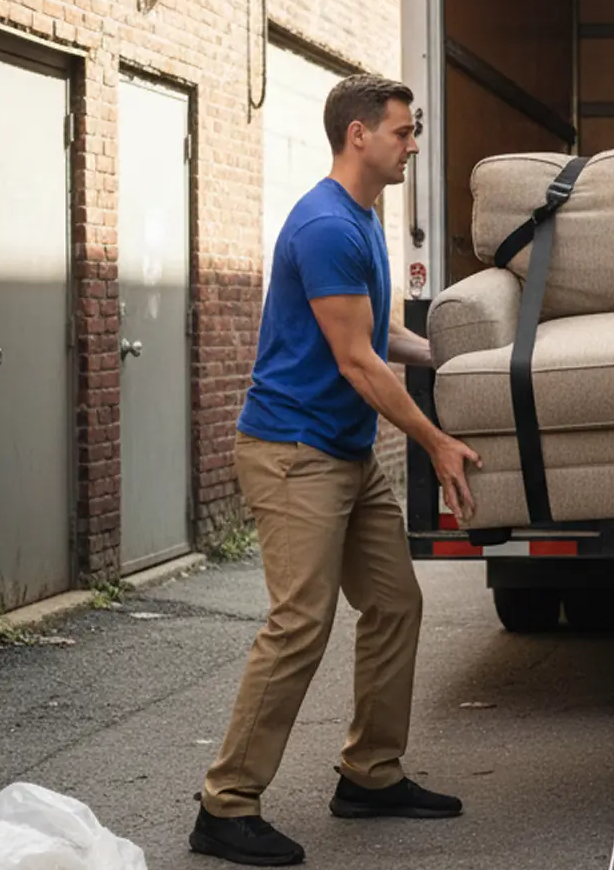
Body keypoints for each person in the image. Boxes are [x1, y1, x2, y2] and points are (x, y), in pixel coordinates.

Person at [189, 74, 482, 866]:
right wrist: (434, 439)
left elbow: (378, 333)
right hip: (294, 454)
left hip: (344, 453)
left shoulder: (363, 217)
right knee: (300, 624)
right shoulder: (324, 225)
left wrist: (455, 356)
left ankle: (370, 774)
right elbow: (356, 362)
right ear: (359, 135)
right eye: (401, 132)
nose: (411, 144)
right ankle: (226, 804)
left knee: (394, 604)